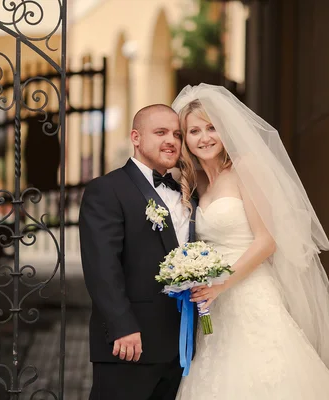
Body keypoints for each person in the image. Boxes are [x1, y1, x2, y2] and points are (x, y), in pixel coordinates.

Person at [172, 83, 329, 399]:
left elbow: (266, 241)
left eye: (211, 127)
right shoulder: (196, 183)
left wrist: (220, 284)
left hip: (250, 292)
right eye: (194, 131)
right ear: (185, 139)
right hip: (214, 306)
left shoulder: (244, 168)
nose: (204, 138)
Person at [79, 104, 197, 400]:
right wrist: (122, 326)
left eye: (177, 134)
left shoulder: (188, 193)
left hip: (179, 345)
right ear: (135, 137)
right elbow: (102, 266)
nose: (171, 140)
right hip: (131, 342)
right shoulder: (106, 190)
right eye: (160, 132)